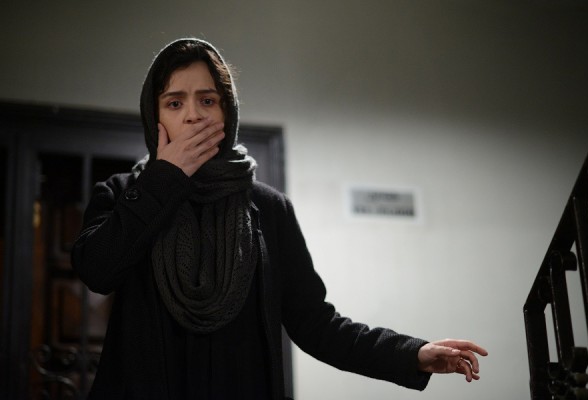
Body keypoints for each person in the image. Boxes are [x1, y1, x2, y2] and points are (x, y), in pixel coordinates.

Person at [71, 37, 487, 400]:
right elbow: (97, 270)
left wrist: (411, 354)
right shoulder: (122, 193)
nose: (193, 115)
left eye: (208, 100)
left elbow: (315, 323)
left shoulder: (269, 209)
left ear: (228, 112)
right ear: (155, 116)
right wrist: (165, 179)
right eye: (175, 102)